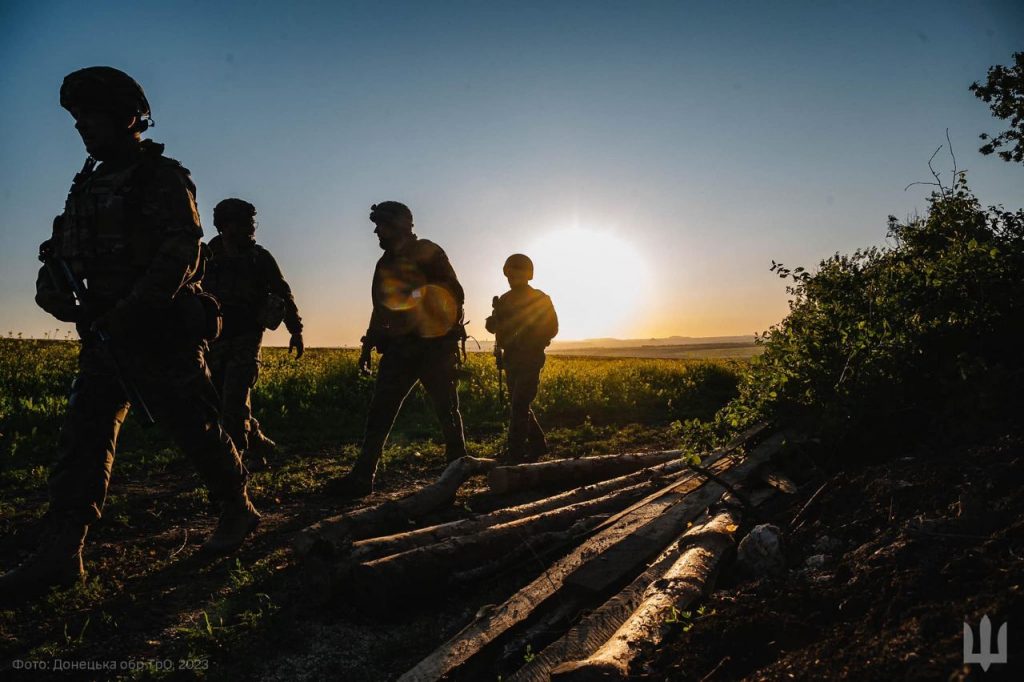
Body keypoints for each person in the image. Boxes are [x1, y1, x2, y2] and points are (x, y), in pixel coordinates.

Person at [0, 67, 259, 605]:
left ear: (124, 116)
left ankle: (236, 508)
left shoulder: (162, 177)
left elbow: (182, 252)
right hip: (104, 334)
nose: (81, 128)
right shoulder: (86, 187)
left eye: (89, 117)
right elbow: (60, 250)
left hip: (159, 331)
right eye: (75, 120)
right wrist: (52, 290)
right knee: (84, 433)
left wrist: (133, 309)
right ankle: (63, 548)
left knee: (193, 425)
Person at [329, 201, 468, 498]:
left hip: (434, 349)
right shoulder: (384, 263)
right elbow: (380, 307)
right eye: (376, 225)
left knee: (448, 412)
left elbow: (454, 292)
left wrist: (414, 296)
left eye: (382, 225)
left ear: (401, 225)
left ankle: (458, 473)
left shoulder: (429, 251)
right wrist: (368, 344)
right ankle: (362, 476)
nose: (377, 231)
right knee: (379, 411)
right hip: (399, 349)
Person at [202, 198, 304, 469]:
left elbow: (283, 292)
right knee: (217, 400)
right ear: (225, 225)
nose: (251, 227)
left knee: (234, 399)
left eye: (251, 222)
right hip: (213, 340)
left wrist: (296, 330)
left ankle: (238, 461)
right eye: (244, 222)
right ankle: (256, 439)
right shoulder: (206, 255)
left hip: (247, 337)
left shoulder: (260, 258)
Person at [485, 254, 558, 462]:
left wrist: (529, 337)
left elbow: (552, 328)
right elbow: (495, 327)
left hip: (530, 358)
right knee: (519, 403)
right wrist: (493, 322)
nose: (511, 277)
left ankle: (515, 452)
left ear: (527, 274)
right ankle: (538, 444)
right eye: (509, 273)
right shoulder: (505, 299)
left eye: (515, 273)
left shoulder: (539, 298)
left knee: (519, 404)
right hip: (511, 359)